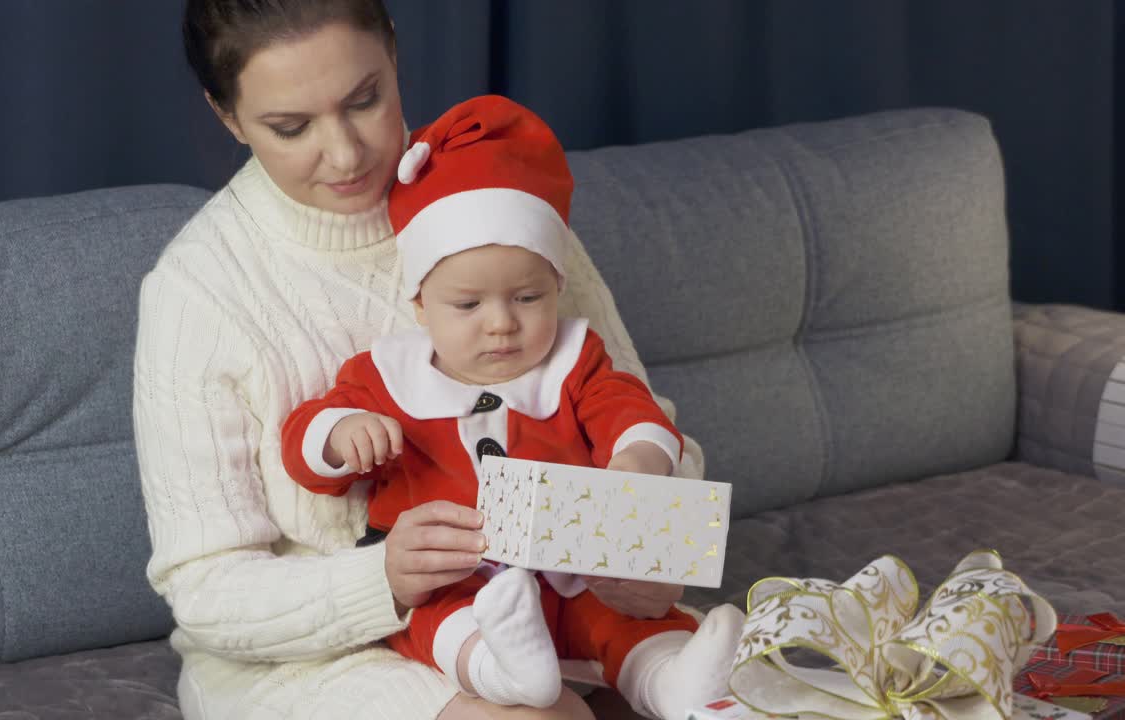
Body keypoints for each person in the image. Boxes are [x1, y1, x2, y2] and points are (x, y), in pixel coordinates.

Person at [133, 1, 707, 718]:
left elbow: (643, 427)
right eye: (291, 127)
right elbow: (206, 589)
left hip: (556, 609)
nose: (344, 154)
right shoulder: (197, 292)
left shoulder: (498, 198)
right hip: (308, 660)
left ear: (396, 53)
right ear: (227, 116)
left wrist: (645, 554)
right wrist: (384, 581)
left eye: (364, 99)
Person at [280, 94, 742, 720]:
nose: (501, 326)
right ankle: (500, 669)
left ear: (556, 286)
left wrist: (637, 462)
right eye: (468, 306)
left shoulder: (575, 362)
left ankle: (676, 683)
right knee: (441, 622)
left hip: (575, 573)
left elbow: (629, 410)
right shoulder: (386, 377)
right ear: (421, 305)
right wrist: (340, 435)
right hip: (455, 577)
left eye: (527, 297)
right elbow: (303, 439)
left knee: (622, 623)